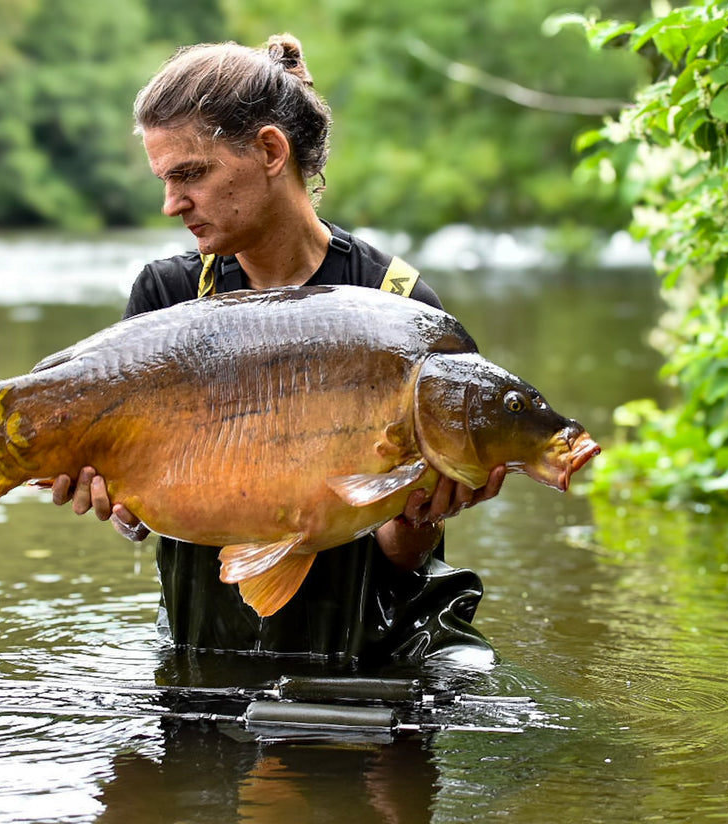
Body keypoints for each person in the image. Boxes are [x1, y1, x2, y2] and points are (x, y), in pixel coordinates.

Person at [52, 34, 505, 662]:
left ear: (269, 150)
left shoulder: (399, 304)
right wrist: (117, 501)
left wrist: (419, 515)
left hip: (360, 648)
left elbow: (403, 559)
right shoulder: (169, 293)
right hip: (207, 646)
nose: (170, 204)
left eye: (191, 175)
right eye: (164, 179)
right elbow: (142, 517)